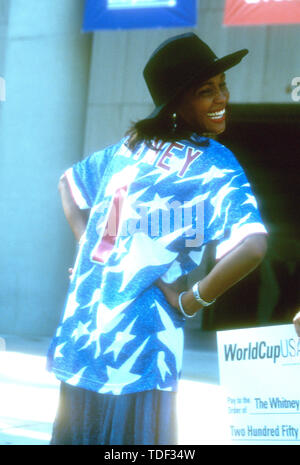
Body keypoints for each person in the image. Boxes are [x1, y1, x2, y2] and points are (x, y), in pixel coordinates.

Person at [47, 33, 268, 445]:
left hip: (83, 337)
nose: (222, 98)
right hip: (141, 351)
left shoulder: (129, 148)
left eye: (222, 85)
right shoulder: (213, 164)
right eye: (206, 91)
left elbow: (68, 184)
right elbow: (252, 245)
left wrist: (86, 246)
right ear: (176, 103)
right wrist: (192, 299)